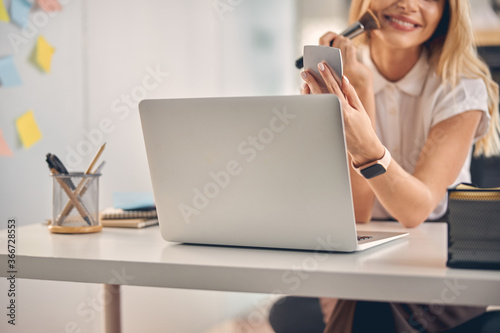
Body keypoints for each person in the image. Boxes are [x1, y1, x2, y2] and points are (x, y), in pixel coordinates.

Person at [289, 0, 500, 332]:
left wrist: (363, 136)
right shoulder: (339, 76)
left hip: (434, 255)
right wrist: (361, 93)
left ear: (447, 11)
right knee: (361, 297)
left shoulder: (462, 86)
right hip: (361, 243)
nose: (407, 4)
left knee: (369, 307)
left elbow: (413, 211)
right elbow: (359, 213)